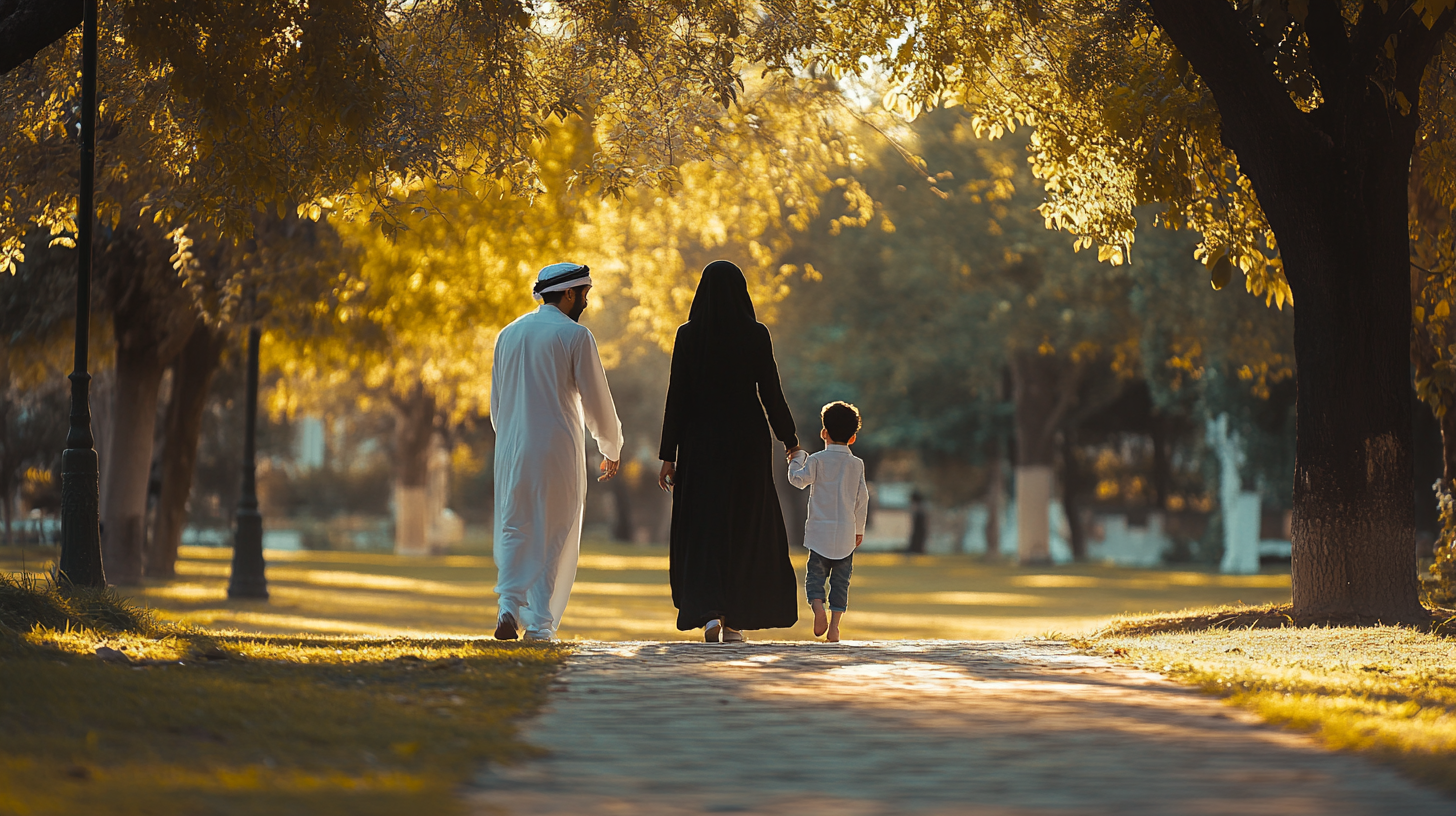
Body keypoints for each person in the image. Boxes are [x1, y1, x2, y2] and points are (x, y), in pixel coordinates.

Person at [658, 260, 800, 642]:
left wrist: (668, 454)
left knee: (705, 525)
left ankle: (708, 614)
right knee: (743, 525)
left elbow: (677, 397)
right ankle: (735, 621)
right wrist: (790, 440)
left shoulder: (688, 335)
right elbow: (770, 390)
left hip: (700, 441)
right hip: (746, 443)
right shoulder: (755, 334)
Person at [491, 262, 623, 641]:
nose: (586, 301)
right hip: (556, 449)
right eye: (585, 294)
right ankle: (539, 623)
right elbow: (596, 398)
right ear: (569, 294)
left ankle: (508, 605)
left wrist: (511, 441)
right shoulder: (575, 336)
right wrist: (610, 445)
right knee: (554, 530)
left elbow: (497, 404)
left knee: (516, 524)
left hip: (512, 447)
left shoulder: (508, 334)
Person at [787, 401, 868, 643]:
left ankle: (818, 609)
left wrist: (795, 459)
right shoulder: (856, 464)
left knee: (815, 578)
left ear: (824, 433)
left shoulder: (816, 460)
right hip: (846, 534)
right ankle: (834, 627)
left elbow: (798, 481)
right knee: (841, 582)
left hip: (818, 533)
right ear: (853, 438)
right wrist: (859, 530)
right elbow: (862, 499)